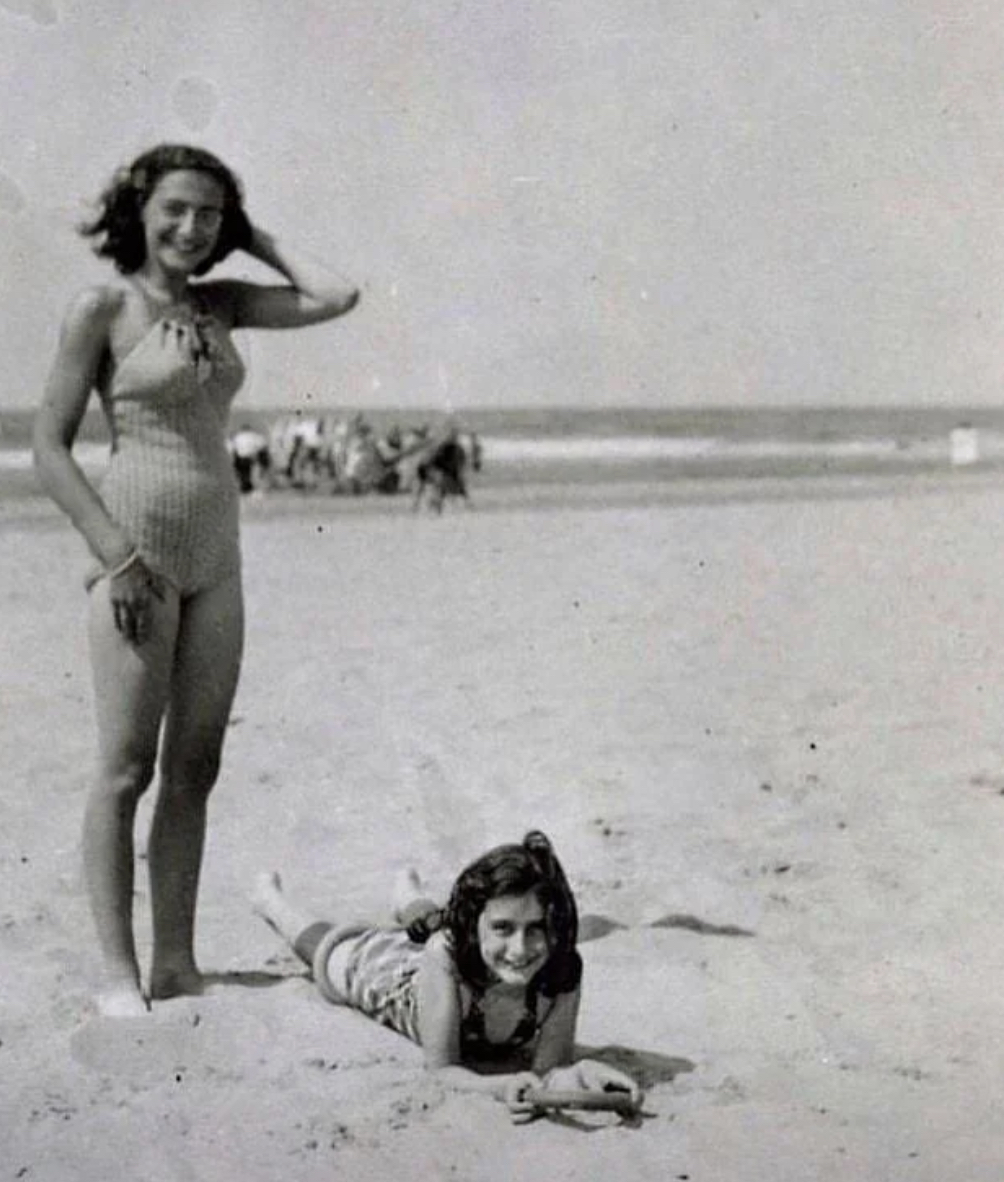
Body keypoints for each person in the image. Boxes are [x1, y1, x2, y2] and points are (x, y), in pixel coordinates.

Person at [33, 144, 359, 1017]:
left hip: (219, 556)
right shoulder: (102, 306)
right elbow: (47, 447)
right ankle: (117, 974)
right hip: (134, 553)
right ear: (138, 209)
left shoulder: (221, 304)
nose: (192, 227)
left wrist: (254, 235)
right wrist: (117, 555)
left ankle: (176, 964)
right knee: (125, 768)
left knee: (197, 765)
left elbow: (337, 294)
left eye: (211, 214)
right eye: (176, 208)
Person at [251, 831, 641, 1119]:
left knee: (434, 923)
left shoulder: (562, 970)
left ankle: (408, 895)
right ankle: (271, 903)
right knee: (337, 953)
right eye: (504, 928)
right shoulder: (448, 955)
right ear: (475, 926)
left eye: (536, 928)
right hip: (403, 983)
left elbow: (548, 1071)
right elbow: (442, 1071)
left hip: (465, 946)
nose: (521, 949)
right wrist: (500, 1086)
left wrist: (583, 1074)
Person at [229, 422, 271, 493]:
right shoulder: (254, 436)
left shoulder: (238, 436)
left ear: (242, 429)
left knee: (242, 472)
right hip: (250, 457)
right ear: (249, 429)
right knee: (247, 471)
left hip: (240, 457)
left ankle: (245, 485)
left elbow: (233, 448)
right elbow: (262, 445)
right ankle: (247, 485)